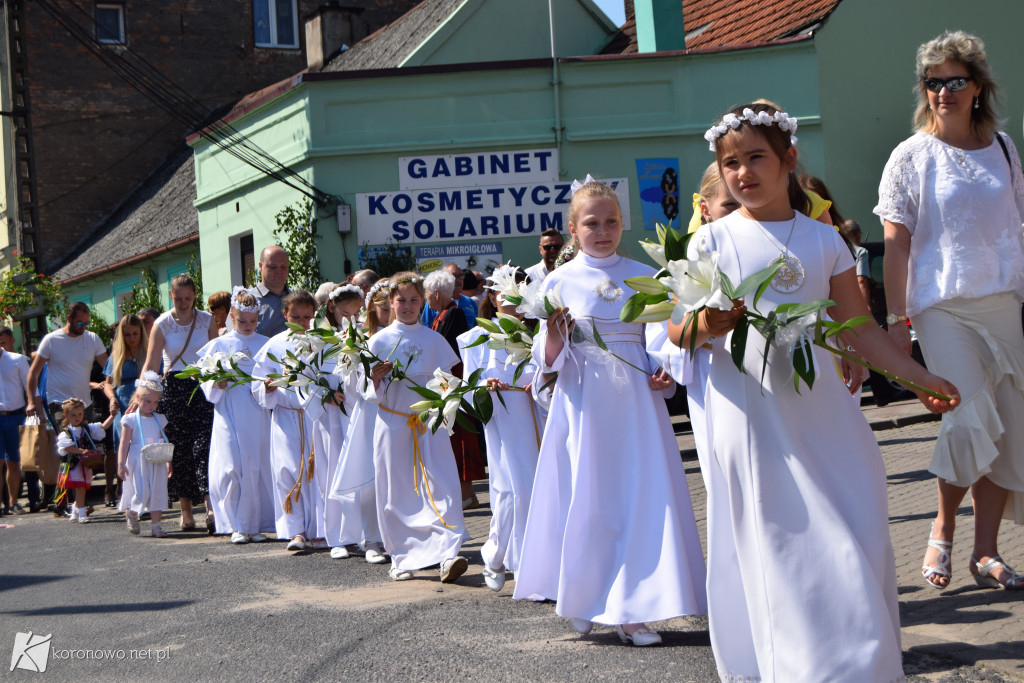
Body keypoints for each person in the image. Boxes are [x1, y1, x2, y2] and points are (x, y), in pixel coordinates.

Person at [678, 102, 958, 681]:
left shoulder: (824, 240)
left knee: (852, 529)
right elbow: (677, 332)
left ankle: (863, 665)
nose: (743, 172)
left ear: (788, 159)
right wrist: (708, 325)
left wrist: (918, 377)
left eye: (756, 157)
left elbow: (857, 329)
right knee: (785, 548)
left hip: (824, 413)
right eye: (731, 163)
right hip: (757, 421)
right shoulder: (712, 242)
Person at [512, 179, 708, 647]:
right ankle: (584, 595)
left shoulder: (643, 274)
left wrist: (663, 371)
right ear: (573, 230)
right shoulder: (558, 281)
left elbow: (661, 338)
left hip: (636, 405)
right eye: (592, 223)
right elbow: (546, 354)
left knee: (638, 496)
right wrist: (555, 337)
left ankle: (632, 608)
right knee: (588, 496)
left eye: (612, 222)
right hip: (585, 406)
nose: (603, 231)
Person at [875, 31, 1024, 592]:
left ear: (979, 88)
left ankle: (986, 553)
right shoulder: (911, 155)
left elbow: (1018, 226)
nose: (942, 91)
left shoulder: (1005, 149)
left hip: (1002, 303)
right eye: (932, 83)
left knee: (1007, 429)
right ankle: (941, 527)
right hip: (940, 306)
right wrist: (894, 324)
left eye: (954, 81)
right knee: (968, 416)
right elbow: (896, 244)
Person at [367, 271, 469, 583]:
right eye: (402, 300)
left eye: (414, 300)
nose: (408, 306)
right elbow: (364, 388)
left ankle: (448, 552)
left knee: (442, 486)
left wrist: (444, 401)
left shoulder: (434, 339)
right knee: (398, 492)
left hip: (429, 426)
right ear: (391, 303)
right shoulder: (379, 341)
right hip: (394, 425)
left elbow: (448, 381)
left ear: (422, 300)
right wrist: (375, 377)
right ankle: (403, 556)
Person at [458, 269, 544, 591]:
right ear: (492, 297)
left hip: (539, 417)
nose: (512, 298)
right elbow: (467, 389)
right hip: (504, 422)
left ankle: (529, 564)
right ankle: (496, 554)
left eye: (520, 290)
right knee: (511, 492)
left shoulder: (539, 335)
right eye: (503, 292)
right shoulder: (475, 340)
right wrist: (485, 386)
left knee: (535, 491)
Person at [252, 290, 329, 553]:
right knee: (288, 471)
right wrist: (267, 387)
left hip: (316, 417)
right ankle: (296, 531)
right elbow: (257, 381)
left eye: (307, 317)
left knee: (318, 471)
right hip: (286, 417)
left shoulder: (322, 342)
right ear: (285, 315)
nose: (302, 322)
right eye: (295, 316)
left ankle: (320, 530)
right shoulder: (274, 345)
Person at [198, 287, 273, 544]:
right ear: (232, 316)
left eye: (253, 321)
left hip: (256, 412)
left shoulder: (265, 344)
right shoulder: (218, 345)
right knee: (231, 466)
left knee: (254, 467)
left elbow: (272, 376)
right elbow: (205, 380)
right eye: (242, 321)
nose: (248, 325)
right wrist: (215, 384)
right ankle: (234, 523)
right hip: (228, 411)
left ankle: (251, 524)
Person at [142, 274, 217, 532]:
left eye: (188, 298)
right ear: (170, 296)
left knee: (205, 445)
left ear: (195, 296)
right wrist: (142, 393)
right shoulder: (162, 323)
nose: (184, 303)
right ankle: (186, 511)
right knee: (180, 449)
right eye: (178, 298)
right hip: (174, 388)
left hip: (202, 387)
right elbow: (152, 364)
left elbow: (216, 357)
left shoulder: (207, 320)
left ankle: (210, 507)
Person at [26, 302, 112, 511]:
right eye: (79, 322)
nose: (83, 326)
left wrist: (111, 389)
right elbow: (33, 374)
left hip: (85, 404)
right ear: (68, 319)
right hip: (59, 404)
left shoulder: (92, 339)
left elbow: (108, 366)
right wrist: (32, 401)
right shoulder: (52, 340)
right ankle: (68, 502)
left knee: (84, 452)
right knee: (70, 449)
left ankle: (70, 502)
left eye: (86, 322)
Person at [321, 284, 385, 562]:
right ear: (332, 309)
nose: (351, 319)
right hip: (333, 418)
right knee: (334, 471)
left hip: (361, 412)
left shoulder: (365, 339)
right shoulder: (323, 339)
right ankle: (339, 535)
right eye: (345, 313)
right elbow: (311, 374)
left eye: (356, 313)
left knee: (366, 474)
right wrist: (325, 393)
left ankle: (371, 536)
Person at [424, 270, 484, 508]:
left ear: (436, 293)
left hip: (452, 386)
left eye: (427, 293)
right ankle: (462, 494)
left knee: (459, 439)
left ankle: (466, 495)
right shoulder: (443, 314)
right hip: (446, 385)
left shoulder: (453, 314)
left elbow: (444, 352)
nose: (426, 298)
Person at [118, 371, 171, 537]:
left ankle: (156, 526)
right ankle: (132, 512)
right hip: (138, 460)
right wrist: (120, 463)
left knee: (157, 491)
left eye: (155, 402)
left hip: (157, 459)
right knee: (140, 491)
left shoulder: (159, 418)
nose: (152, 405)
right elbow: (124, 442)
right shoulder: (130, 419)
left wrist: (169, 461)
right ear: (137, 399)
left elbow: (164, 439)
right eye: (148, 401)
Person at [102, 315, 148, 508]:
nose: (131, 338)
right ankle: (123, 490)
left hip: (145, 402)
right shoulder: (116, 355)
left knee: (144, 446)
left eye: (135, 333)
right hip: (123, 404)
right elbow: (107, 383)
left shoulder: (148, 352)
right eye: (127, 334)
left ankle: (142, 492)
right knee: (124, 448)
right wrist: (112, 398)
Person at [55, 397, 114, 523]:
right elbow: (67, 447)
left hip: (85, 465)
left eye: (80, 414)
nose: (77, 417)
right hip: (74, 465)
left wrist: (112, 416)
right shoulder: (66, 432)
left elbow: (102, 427)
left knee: (82, 488)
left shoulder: (86, 428)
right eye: (74, 415)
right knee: (80, 488)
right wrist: (82, 451)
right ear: (66, 416)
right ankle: (82, 513)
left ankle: (75, 512)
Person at [0, 327, 31, 514]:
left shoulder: (17, 360)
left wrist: (35, 407)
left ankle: (13, 502)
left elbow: (30, 386)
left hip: (15, 416)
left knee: (13, 462)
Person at [254, 245, 291, 337]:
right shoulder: (247, 302)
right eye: (273, 267)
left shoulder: (299, 299)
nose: (279, 271)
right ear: (260, 266)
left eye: (283, 267)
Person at [840, 219, 872, 311]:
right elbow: (861, 280)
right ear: (857, 235)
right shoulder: (861, 252)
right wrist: (867, 307)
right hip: (855, 301)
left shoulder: (836, 251)